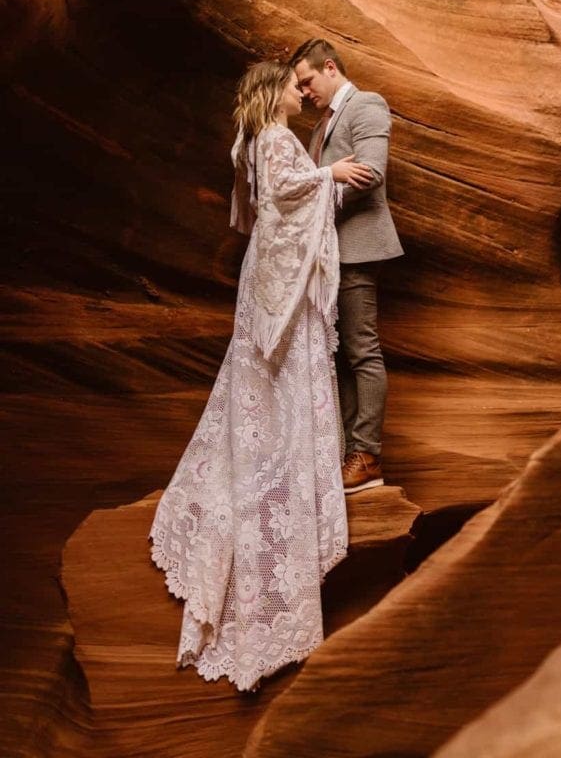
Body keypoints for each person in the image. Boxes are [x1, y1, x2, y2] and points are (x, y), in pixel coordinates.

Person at [149, 60, 372, 692]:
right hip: (283, 288)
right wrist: (327, 172)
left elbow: (255, 215)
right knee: (276, 379)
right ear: (273, 93)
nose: (302, 94)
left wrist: (317, 175)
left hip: (267, 277)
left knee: (253, 384)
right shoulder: (273, 136)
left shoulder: (249, 140)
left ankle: (265, 456)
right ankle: (280, 465)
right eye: (293, 86)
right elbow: (283, 199)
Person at [289, 39, 404, 495]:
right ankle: (347, 452)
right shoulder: (321, 126)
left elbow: (371, 171)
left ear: (330, 67)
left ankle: (367, 455)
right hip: (328, 253)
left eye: (307, 81)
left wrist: (319, 185)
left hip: (358, 248)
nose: (303, 92)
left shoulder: (366, 105)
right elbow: (330, 176)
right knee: (338, 355)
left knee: (362, 350)